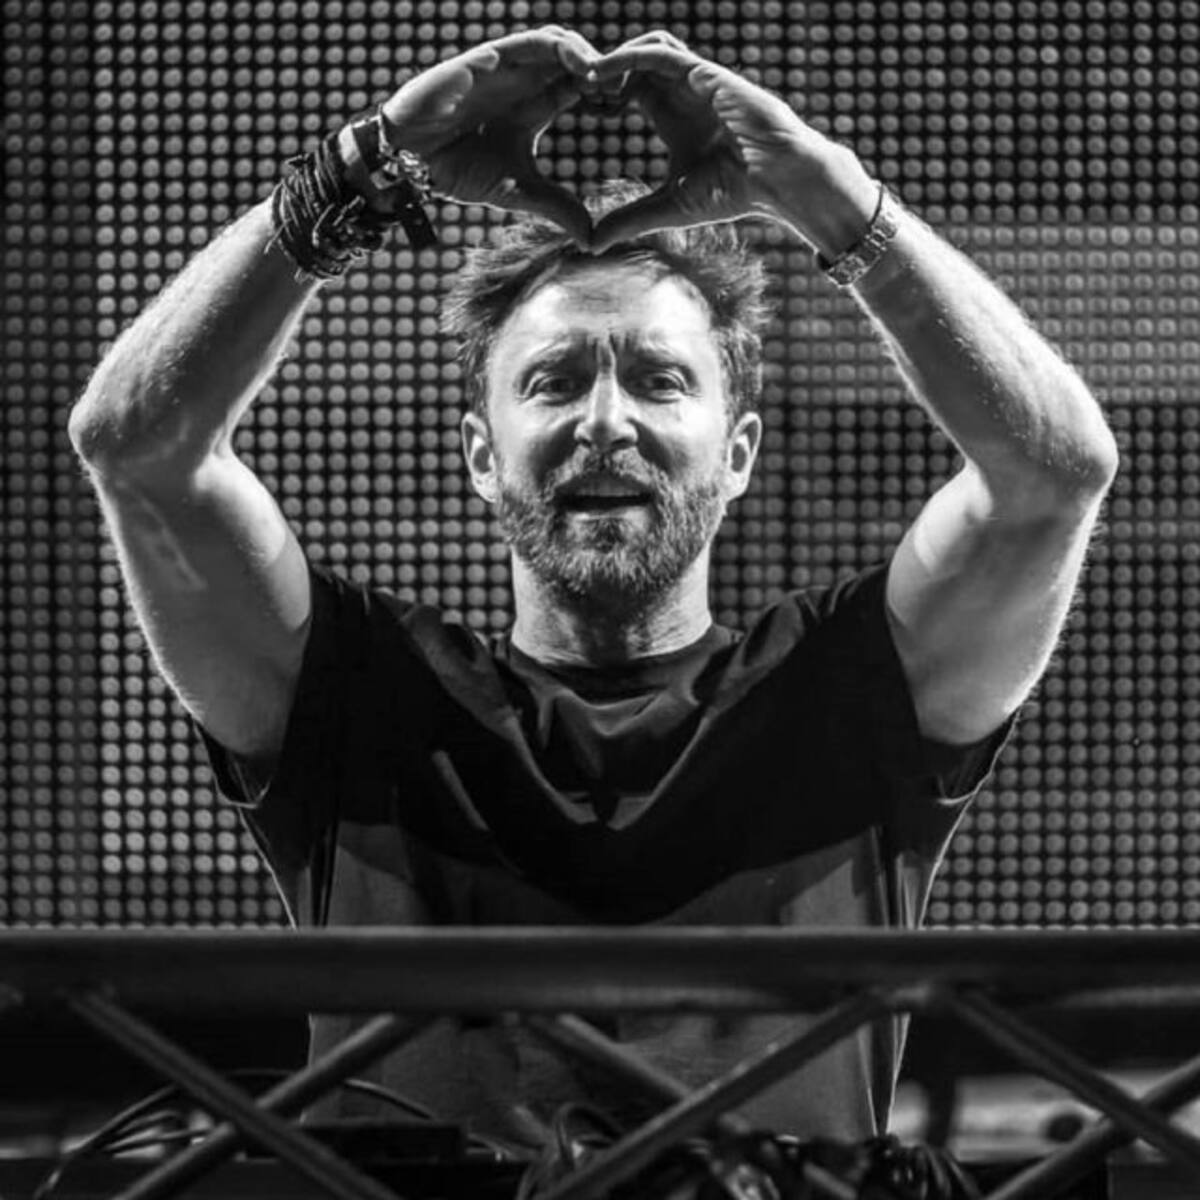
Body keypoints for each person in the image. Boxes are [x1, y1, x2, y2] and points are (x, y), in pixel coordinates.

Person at [69, 27, 1117, 1154]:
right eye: (555, 380)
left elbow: (1053, 473)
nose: (606, 421)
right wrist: (359, 168)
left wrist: (828, 197)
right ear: (482, 455)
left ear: (739, 453)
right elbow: (136, 446)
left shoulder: (849, 688)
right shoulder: (360, 693)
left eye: (659, 381)